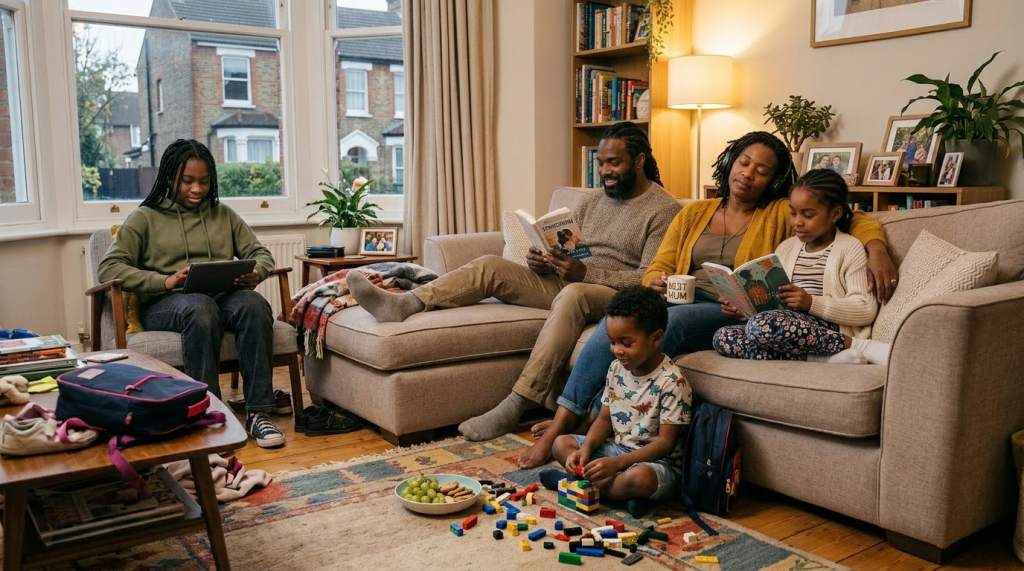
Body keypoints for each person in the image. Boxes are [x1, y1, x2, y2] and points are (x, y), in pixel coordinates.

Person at [517, 131, 899, 469]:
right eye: (744, 161)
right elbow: (661, 261)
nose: (748, 173)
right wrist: (657, 281)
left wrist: (877, 247)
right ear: (731, 161)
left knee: (673, 327)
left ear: (774, 180)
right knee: (618, 322)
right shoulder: (695, 211)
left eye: (761, 170)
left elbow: (850, 216)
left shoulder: (782, 213)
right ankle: (567, 419)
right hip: (675, 296)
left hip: (725, 308)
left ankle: (569, 427)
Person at [346, 122, 681, 441]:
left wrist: (587, 274)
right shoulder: (593, 200)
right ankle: (406, 303)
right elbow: (571, 249)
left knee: (574, 294)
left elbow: (648, 278)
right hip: (571, 279)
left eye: (614, 163)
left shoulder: (663, 209)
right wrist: (544, 261)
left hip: (611, 295)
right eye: (601, 162)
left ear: (639, 161)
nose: (605, 171)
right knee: (492, 266)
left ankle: (518, 403)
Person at [97, 139, 286, 448]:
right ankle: (207, 411)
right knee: (199, 307)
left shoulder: (222, 214)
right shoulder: (145, 218)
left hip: (220, 296)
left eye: (204, 181)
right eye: (187, 181)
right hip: (164, 303)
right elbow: (109, 268)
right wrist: (164, 281)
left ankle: (258, 412)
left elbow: (260, 253)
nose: (197, 189)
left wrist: (257, 273)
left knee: (253, 303)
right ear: (171, 178)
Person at [538, 286, 691, 517]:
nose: (617, 350)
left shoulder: (673, 382)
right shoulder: (616, 368)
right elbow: (604, 419)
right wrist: (586, 451)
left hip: (656, 465)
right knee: (561, 444)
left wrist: (618, 464)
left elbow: (665, 445)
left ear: (656, 338)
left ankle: (577, 485)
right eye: (612, 342)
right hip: (617, 452)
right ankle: (623, 496)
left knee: (640, 479)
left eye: (626, 343)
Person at [712, 169, 890, 364]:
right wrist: (743, 310)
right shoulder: (786, 248)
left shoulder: (850, 248)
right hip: (784, 325)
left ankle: (859, 346)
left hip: (828, 327)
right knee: (723, 337)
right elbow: (775, 307)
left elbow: (865, 309)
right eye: (793, 213)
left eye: (808, 215)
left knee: (761, 325)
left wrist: (811, 303)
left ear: (835, 213)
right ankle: (821, 359)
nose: (797, 222)